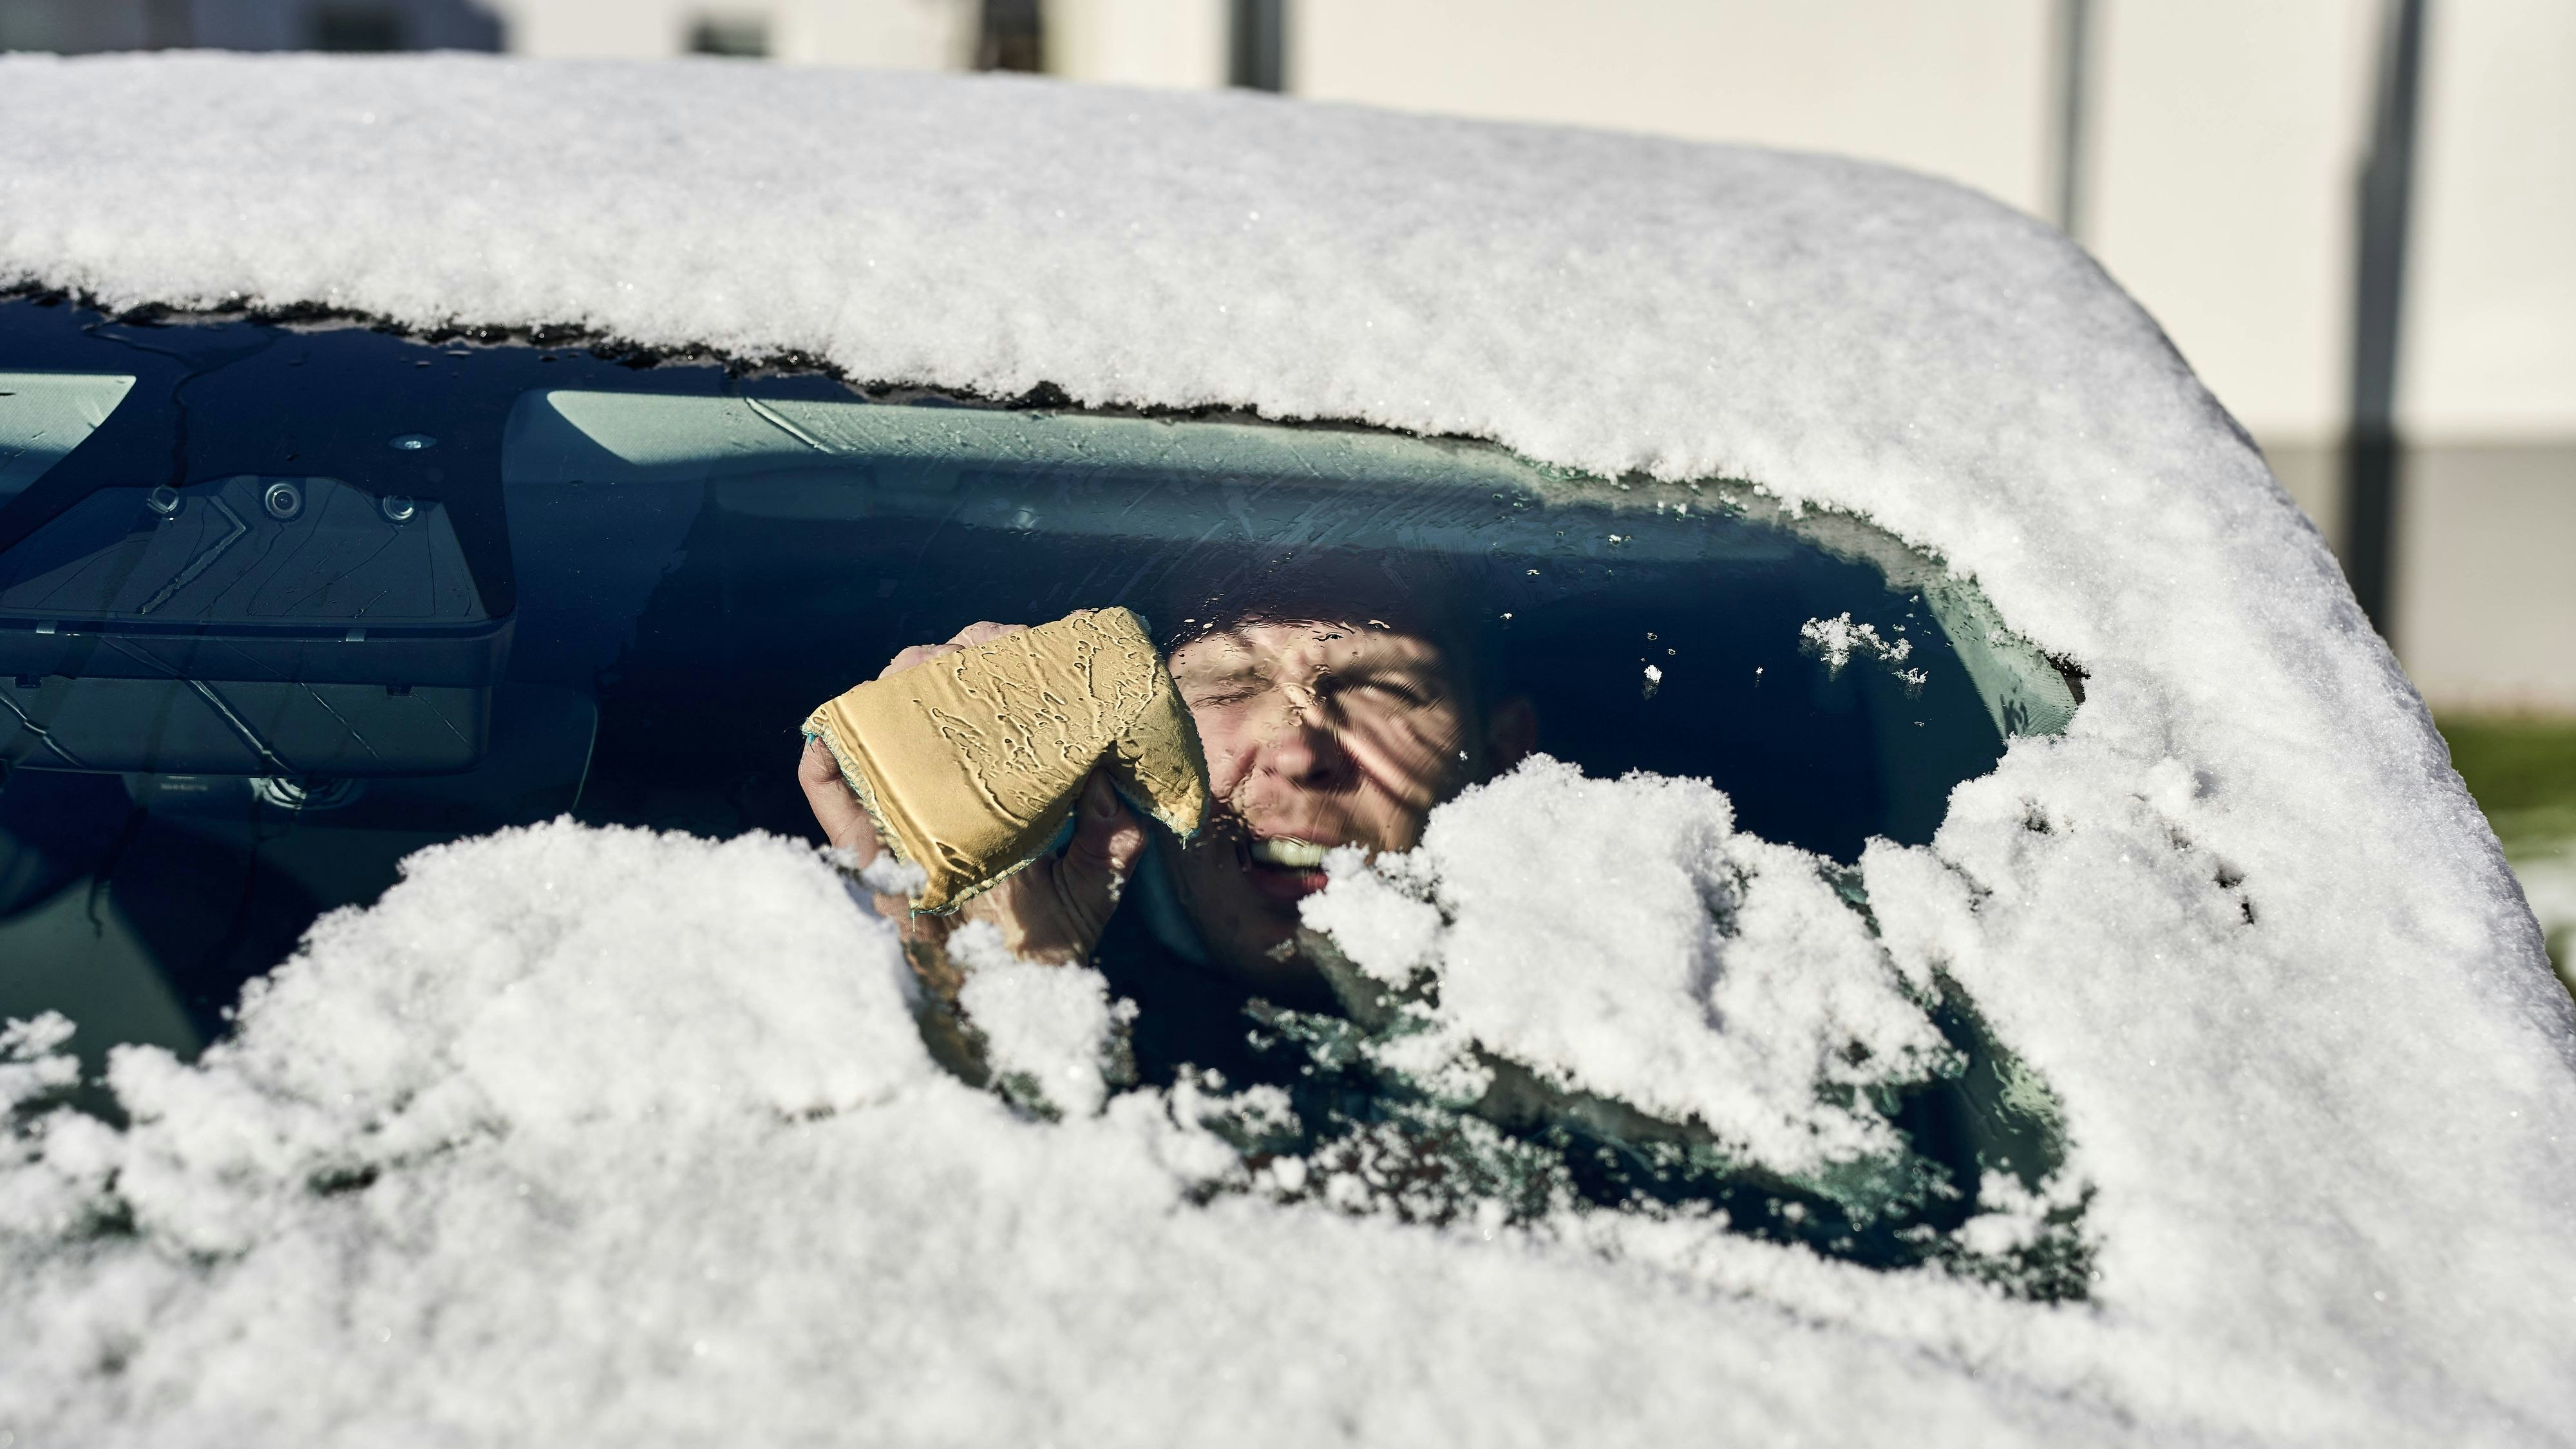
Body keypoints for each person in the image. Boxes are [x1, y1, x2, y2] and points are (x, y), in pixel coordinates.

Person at [797, 605, 1537, 1080]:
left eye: (1380, 688)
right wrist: (975, 989)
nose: (1297, 751)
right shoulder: (1079, 989)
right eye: (1227, 685)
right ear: (1127, 743)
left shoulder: (1594, 1016)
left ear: (1503, 754)